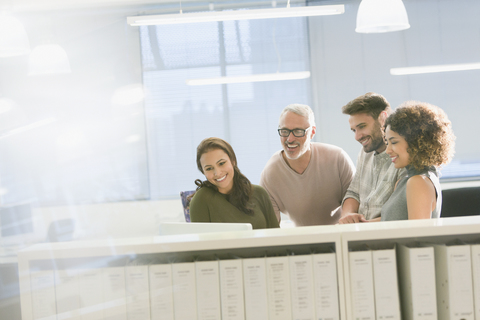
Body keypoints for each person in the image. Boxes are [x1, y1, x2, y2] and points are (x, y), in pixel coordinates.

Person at [259, 103, 355, 226]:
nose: (290, 139)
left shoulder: (337, 158)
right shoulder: (270, 173)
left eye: (298, 131)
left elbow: (355, 198)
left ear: (312, 132)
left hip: (341, 235)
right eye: (284, 131)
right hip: (302, 240)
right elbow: (270, 226)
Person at [381, 101, 455, 221]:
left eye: (394, 142)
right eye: (387, 142)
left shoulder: (418, 182)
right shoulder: (405, 181)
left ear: (415, 142)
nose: (388, 150)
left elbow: (417, 237)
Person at [339, 92, 406, 224]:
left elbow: (403, 215)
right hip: (362, 234)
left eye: (362, 127)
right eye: (354, 130)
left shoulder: (404, 157)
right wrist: (348, 216)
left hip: (385, 235)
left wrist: (362, 226)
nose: (357, 137)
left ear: (383, 118)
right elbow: (354, 193)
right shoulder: (365, 152)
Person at [189, 137, 279, 229]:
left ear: (233, 161)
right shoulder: (202, 200)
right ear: (203, 171)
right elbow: (202, 242)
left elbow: (276, 237)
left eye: (221, 163)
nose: (217, 173)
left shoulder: (260, 193)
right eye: (209, 168)